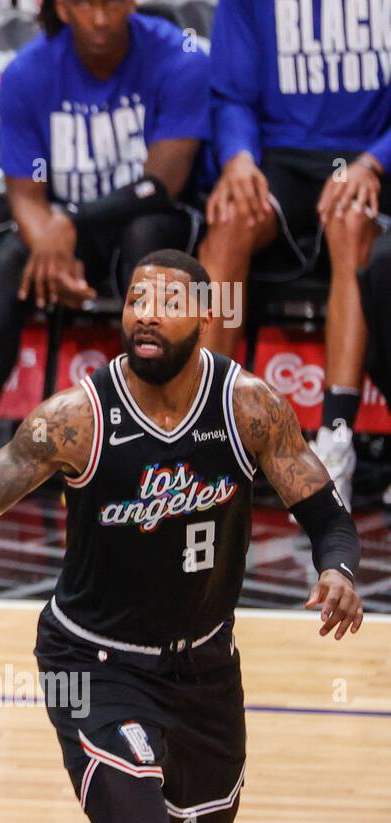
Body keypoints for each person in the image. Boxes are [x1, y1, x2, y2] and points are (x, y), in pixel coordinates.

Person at [0, 249, 363, 823]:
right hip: (92, 662)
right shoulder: (76, 419)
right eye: (136, 301)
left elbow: (328, 517)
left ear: (205, 317)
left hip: (205, 667)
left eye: (169, 304)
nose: (147, 316)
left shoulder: (248, 408)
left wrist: (337, 569)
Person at [0, 0, 210, 525]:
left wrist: (69, 220)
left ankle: (146, 463)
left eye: (110, 4)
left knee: (150, 245)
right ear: (63, 7)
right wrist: (50, 238)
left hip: (148, 224)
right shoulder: (28, 72)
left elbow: (163, 181)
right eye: (85, 5)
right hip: (66, 240)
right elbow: (24, 193)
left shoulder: (177, 57)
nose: (99, 19)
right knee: (12, 256)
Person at [198, 0, 391, 509]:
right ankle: (204, 426)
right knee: (230, 221)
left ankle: (335, 440)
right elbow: (230, 95)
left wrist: (374, 161)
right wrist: (237, 159)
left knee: (351, 220)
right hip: (278, 157)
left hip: (365, 157)